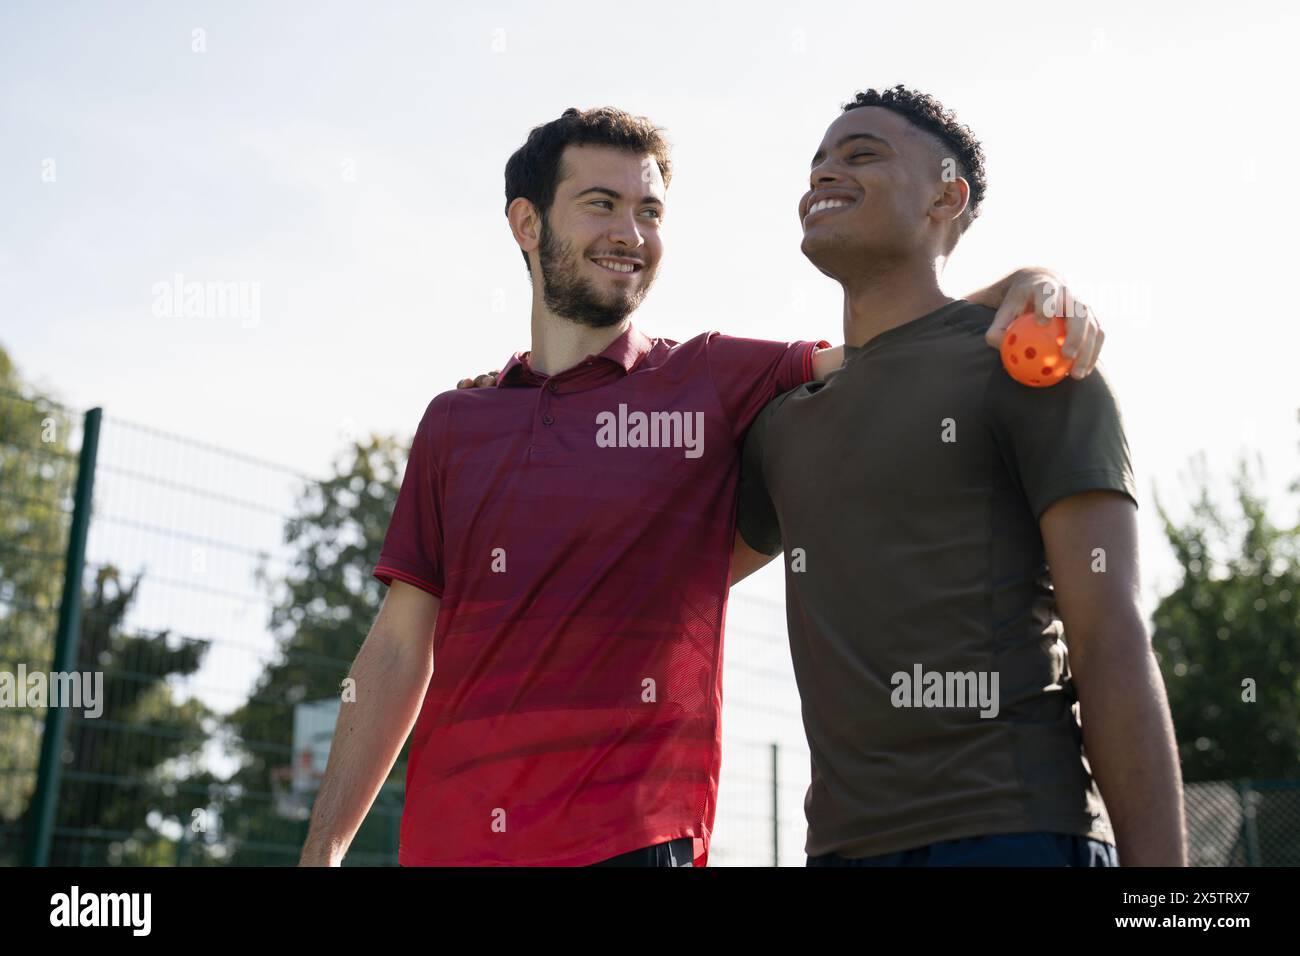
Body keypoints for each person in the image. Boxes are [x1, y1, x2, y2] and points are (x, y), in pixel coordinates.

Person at [299, 105, 1104, 867]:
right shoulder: (453, 422)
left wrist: (1024, 282)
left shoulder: (715, 378)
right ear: (526, 223)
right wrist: (323, 852)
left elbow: (889, 353)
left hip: (638, 841)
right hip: (450, 846)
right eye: (601, 204)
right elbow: (401, 645)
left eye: (649, 212)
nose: (631, 233)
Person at [734, 86, 1186, 866]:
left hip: (1014, 834)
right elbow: (668, 584)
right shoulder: (781, 423)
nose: (824, 174)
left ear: (948, 193)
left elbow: (1110, 635)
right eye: (816, 163)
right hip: (839, 851)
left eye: (861, 154)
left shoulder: (1034, 361)